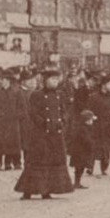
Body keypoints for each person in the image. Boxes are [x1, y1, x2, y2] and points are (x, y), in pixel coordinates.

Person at [16, 68, 76, 199]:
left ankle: (48, 189)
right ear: (45, 80)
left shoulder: (60, 95)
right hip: (41, 134)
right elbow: (32, 112)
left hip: (56, 133)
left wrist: (63, 122)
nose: (55, 82)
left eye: (56, 79)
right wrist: (43, 123)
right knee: (37, 161)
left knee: (54, 161)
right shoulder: (36, 95)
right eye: (52, 79)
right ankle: (28, 190)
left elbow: (64, 111)